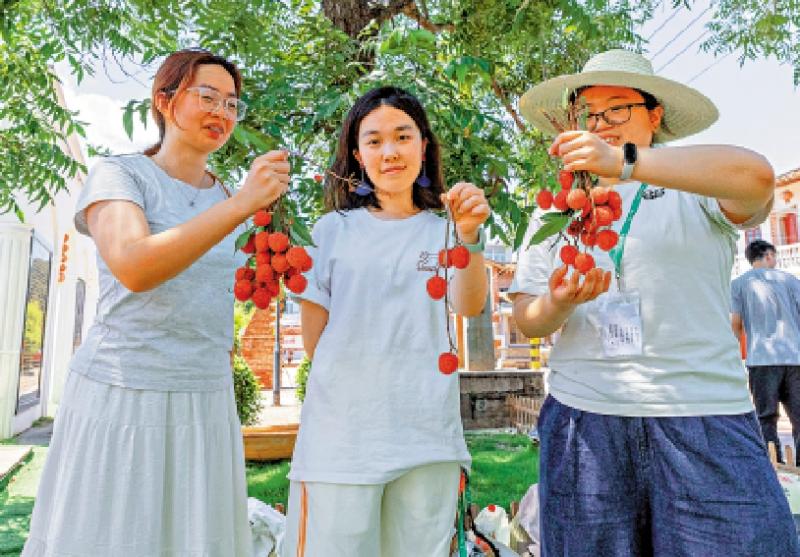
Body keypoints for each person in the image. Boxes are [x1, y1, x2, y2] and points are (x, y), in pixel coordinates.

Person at [509, 49, 798, 555]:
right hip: (585, 419)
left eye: (618, 108)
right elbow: (528, 319)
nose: (601, 123)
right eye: (589, 113)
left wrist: (625, 162)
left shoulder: (694, 185)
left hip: (702, 414)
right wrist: (557, 303)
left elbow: (756, 178)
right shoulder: (557, 211)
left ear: (655, 114)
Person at [22, 48, 290, 556]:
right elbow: (134, 265)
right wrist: (240, 206)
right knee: (111, 537)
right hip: (124, 391)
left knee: (193, 541)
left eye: (233, 104)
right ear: (164, 102)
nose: (223, 113)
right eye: (207, 96)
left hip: (204, 399)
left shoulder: (227, 196)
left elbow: (213, 296)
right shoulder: (120, 176)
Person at [282, 86, 490, 557]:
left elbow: (469, 305)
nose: (390, 151)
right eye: (374, 141)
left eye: (402, 136)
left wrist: (470, 236)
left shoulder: (448, 228)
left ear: (424, 145)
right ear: (357, 154)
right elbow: (317, 344)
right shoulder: (329, 230)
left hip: (427, 438)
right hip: (341, 443)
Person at [732, 239, 800, 464]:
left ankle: (776, 467)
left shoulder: (739, 284)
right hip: (794, 357)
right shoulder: (790, 280)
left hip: (761, 359)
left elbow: (736, 323)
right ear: (768, 255)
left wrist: (734, 355)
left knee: (766, 419)